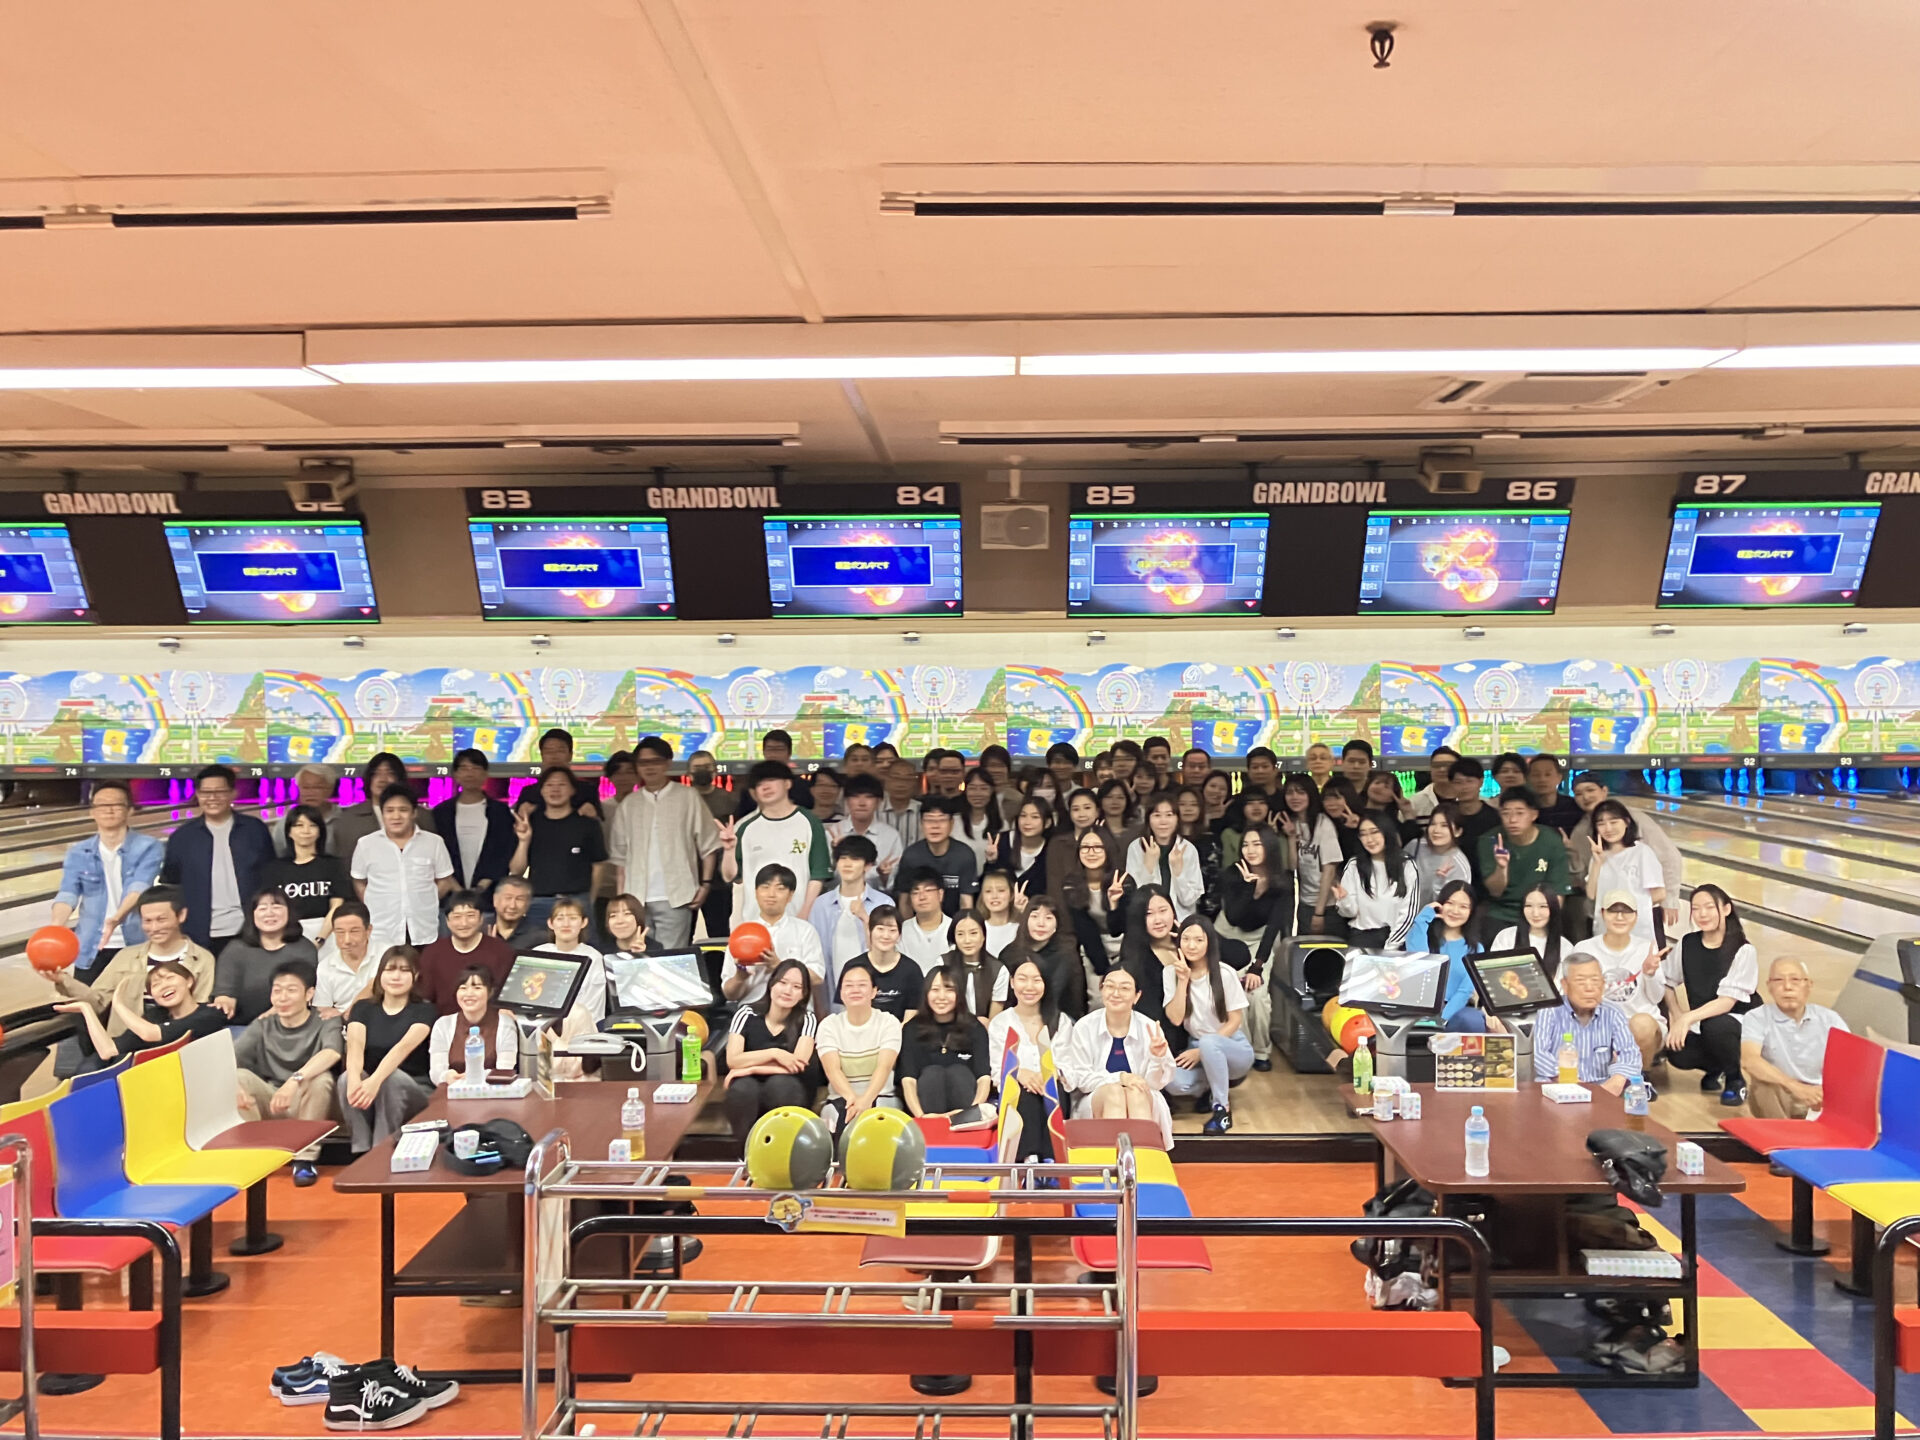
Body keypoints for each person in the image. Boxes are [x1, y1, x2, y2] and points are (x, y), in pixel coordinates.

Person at [49, 886, 215, 1068]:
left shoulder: (202, 959)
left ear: (181, 916)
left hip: (178, 1044)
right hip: (125, 1044)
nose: (154, 928)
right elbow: (97, 1001)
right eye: (147, 921)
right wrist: (63, 980)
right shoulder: (126, 957)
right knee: (87, 1070)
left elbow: (199, 1013)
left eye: (161, 920)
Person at [604, 735, 720, 951]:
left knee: (671, 959)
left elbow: (708, 844)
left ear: (667, 763)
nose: (649, 767)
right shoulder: (629, 804)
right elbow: (620, 858)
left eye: (655, 761)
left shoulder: (688, 796)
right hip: (636, 898)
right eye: (643, 763)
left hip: (677, 895)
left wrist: (705, 884)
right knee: (637, 957)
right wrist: (622, 901)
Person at [233, 959, 342, 1185]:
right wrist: (234, 1085)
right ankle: (251, 1157)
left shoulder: (325, 1020)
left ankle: (304, 1160)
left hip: (309, 1100)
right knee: (239, 1078)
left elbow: (332, 1053)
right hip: (273, 1099)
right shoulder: (263, 1024)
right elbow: (229, 1058)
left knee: (321, 1079)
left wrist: (294, 1081)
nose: (282, 998)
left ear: (309, 993)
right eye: (277, 991)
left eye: (291, 990)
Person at [1656, 884, 1760, 1106]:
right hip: (1703, 1021)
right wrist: (1677, 1015)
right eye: (1696, 908)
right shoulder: (1688, 943)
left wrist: (1687, 1018)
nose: (1702, 914)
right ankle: (1717, 1066)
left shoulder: (1743, 950)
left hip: (1739, 1021)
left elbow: (1726, 1002)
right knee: (1677, 1051)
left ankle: (1735, 1079)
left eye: (1709, 907)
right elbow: (1665, 980)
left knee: (1717, 1025)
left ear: (1726, 909)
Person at [53, 780, 164, 980]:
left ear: (130, 810)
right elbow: (68, 893)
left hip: (136, 944)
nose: (109, 810)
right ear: (92, 812)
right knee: (86, 1000)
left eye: (117, 804)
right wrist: (56, 926)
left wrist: (116, 918)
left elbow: (139, 887)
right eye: (102, 804)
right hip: (91, 947)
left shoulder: (149, 847)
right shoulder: (78, 852)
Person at [160, 764, 277, 955]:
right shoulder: (182, 838)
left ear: (233, 794)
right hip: (198, 933)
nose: (212, 797)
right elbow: (171, 884)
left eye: (220, 791)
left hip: (251, 929)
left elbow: (271, 876)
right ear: (197, 794)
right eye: (206, 792)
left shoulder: (255, 830)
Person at [1061, 968, 1174, 1147]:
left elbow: (1155, 1084)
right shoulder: (1084, 1027)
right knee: (1114, 1093)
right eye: (1110, 986)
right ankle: (1111, 1159)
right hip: (1094, 1099)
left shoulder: (1150, 1028)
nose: (1115, 993)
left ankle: (1143, 1158)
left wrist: (1157, 1058)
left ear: (1136, 996)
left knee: (1136, 1093)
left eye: (1124, 988)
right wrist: (1121, 1078)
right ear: (1101, 990)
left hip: (1142, 1098)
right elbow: (1081, 1079)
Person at [1162, 916, 1252, 1134]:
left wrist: (1203, 1050)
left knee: (1209, 1042)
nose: (1191, 945)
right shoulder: (1170, 973)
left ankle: (1222, 1110)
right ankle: (1214, 1086)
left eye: (1199, 940)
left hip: (1232, 1045)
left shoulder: (1225, 973)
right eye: (1186, 939)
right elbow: (1175, 1019)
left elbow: (1235, 1020)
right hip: (1197, 1045)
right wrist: (1183, 981)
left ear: (1209, 942)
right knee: (1173, 1082)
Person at [342, 947, 436, 1153]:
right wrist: (355, 1080)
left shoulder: (425, 1010)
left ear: (415, 976)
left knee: (391, 1078)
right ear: (380, 974)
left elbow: (402, 1048)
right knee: (345, 1079)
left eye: (404, 970)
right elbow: (355, 1046)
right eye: (390, 969)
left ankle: (381, 1151)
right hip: (370, 1086)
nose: (396, 976)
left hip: (414, 1086)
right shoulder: (363, 1008)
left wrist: (375, 1081)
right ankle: (361, 1150)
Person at [1569, 773, 1684, 939]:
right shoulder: (1580, 833)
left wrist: (1670, 899)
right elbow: (1586, 885)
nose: (1585, 797)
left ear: (1604, 791)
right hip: (1605, 921)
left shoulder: (1636, 822)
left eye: (1590, 790)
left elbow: (1669, 856)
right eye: (1578, 793)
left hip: (1640, 919)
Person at [55, 959, 226, 1070]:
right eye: (156, 985)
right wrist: (87, 1010)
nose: (164, 986)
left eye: (169, 978)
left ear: (189, 981)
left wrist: (119, 1004)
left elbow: (150, 1034)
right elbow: (108, 1050)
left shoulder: (210, 1013)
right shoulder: (155, 1016)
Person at [1570, 891, 1671, 1072]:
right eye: (1613, 911)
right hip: (1599, 1022)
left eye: (1626, 911)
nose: (1619, 917)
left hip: (1640, 1023)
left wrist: (1649, 973)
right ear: (1603, 913)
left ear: (1636, 916)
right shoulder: (1584, 949)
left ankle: (1637, 1078)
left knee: (1642, 1025)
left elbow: (1656, 998)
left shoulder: (1646, 948)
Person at [721, 760, 831, 925]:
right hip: (755, 921)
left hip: (798, 920)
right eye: (759, 784)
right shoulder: (746, 827)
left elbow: (818, 875)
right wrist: (729, 851)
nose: (765, 787)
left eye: (771, 780)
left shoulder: (810, 822)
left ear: (787, 783)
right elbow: (731, 876)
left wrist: (804, 913)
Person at [350, 785, 456, 956]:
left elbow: (445, 879)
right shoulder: (366, 844)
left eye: (403, 810)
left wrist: (426, 899)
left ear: (414, 813)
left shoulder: (434, 842)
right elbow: (359, 881)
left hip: (423, 929)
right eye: (390, 810)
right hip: (382, 930)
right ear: (382, 813)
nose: (396, 816)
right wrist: (373, 903)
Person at [723, 959, 819, 1143]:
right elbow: (733, 1059)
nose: (788, 991)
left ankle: (783, 1152)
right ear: (771, 984)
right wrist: (775, 1053)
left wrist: (750, 1068)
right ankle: (746, 1152)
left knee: (779, 1086)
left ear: (803, 994)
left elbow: (797, 1065)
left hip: (792, 1083)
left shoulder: (807, 1019)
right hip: (749, 1083)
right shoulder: (746, 1013)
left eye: (796, 987)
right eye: (783, 983)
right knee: (743, 1090)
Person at [1741, 956, 1849, 1119]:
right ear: (1769, 986)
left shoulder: (1830, 1019)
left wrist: (1824, 1092)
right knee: (1764, 1086)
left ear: (1809, 985)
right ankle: (1781, 1134)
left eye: (1795, 980)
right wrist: (1796, 1087)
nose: (1787, 987)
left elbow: (1851, 1061)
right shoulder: (1757, 1017)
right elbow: (1750, 1061)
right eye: (1778, 980)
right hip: (1783, 1094)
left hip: (1820, 1095)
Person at [509, 765, 610, 935]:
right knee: (537, 950)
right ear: (541, 791)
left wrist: (589, 900)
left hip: (577, 901)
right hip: (538, 903)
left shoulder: (588, 824)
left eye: (562, 784)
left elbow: (599, 865)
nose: (555, 789)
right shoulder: (530, 823)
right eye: (549, 785)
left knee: (583, 949)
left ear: (572, 790)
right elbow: (516, 870)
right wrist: (524, 840)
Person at [988, 956, 1072, 1161]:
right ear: (1012, 982)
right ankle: (1029, 1160)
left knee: (1051, 1092)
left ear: (1045, 984)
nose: (1029, 986)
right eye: (1022, 979)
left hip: (1052, 1087)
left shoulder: (1060, 1021)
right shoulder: (1001, 1023)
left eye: (1036, 980)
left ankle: (1051, 1161)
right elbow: (996, 1071)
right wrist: (1019, 1074)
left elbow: (1068, 1065)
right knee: (1023, 1094)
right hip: (1016, 1091)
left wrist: (1048, 1075)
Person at [1529, 954, 1642, 1096]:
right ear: (1565, 985)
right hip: (1558, 1087)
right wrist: (1575, 1085)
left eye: (1595, 981)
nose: (1589, 988)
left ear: (1603, 984)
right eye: (1580, 981)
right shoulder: (1549, 1011)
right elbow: (1540, 1054)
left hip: (1603, 1089)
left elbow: (1630, 1053)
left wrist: (1615, 1082)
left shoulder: (1613, 1013)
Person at [815, 960, 903, 1131]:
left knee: (879, 1128)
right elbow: (832, 1070)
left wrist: (866, 1100)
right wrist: (853, 1100)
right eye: (848, 985)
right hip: (841, 1098)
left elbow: (884, 1067)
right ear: (841, 993)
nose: (855, 990)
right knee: (836, 1124)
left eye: (862, 985)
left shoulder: (888, 1022)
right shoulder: (829, 1025)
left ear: (874, 991)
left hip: (882, 1095)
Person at [719, 865, 826, 1006]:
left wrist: (780, 966)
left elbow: (818, 978)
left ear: (790, 895)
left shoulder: (805, 930)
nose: (771, 894)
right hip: (752, 1009)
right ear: (756, 892)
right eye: (765, 887)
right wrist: (740, 978)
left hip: (795, 1009)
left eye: (780, 888)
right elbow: (729, 994)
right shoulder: (742, 934)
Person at [213, 888, 320, 1024]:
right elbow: (225, 993)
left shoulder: (304, 949)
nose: (269, 913)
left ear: (289, 912)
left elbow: (300, 996)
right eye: (262, 908)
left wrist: (263, 1022)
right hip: (240, 1025)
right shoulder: (235, 949)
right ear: (252, 915)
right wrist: (224, 1004)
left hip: (286, 1023)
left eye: (276, 907)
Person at [899, 965, 992, 1122]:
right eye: (935, 990)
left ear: (959, 993)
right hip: (927, 1113)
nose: (941, 996)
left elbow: (983, 1078)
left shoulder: (974, 1027)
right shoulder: (911, 1029)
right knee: (932, 1074)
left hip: (966, 1113)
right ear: (926, 993)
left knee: (958, 1072)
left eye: (949, 989)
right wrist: (922, 1117)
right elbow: (908, 1080)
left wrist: (972, 1113)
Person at [808, 834, 894, 995]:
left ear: (868, 865)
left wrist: (866, 919)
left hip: (873, 996)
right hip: (829, 995)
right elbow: (814, 958)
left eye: (855, 859)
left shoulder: (883, 903)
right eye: (843, 858)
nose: (847, 864)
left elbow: (888, 955)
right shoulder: (820, 905)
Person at [1412, 881, 1500, 1034]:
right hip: (1418, 1006)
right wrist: (1423, 917)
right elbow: (1419, 962)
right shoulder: (1424, 935)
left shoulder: (1475, 948)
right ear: (1440, 904)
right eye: (1450, 903)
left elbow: (1465, 991)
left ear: (1471, 911)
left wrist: (1440, 1020)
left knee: (1472, 1021)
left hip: (1453, 1012)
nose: (1455, 911)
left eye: (1463, 907)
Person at [431, 749, 517, 900]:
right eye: (464, 768)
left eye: (475, 768)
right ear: (455, 774)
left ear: (485, 774)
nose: (469, 773)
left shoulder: (500, 812)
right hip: (449, 896)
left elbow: (504, 851)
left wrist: (482, 886)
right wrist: (457, 889)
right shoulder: (441, 812)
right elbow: (436, 852)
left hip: (490, 895)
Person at [1479, 788, 1570, 930]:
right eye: (1506, 813)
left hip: (1538, 913)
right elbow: (1495, 892)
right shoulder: (1490, 840)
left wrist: (1546, 923)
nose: (1512, 820)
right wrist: (1501, 868)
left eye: (1520, 813)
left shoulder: (1551, 841)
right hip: (1501, 913)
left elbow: (1558, 892)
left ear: (1534, 815)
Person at [262, 804, 352, 945]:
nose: (306, 831)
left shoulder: (333, 865)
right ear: (289, 832)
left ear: (320, 831)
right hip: (287, 936)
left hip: (328, 934)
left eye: (312, 825)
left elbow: (337, 906)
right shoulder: (275, 869)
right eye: (299, 825)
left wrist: (320, 939)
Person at [416, 890, 517, 1012]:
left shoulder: (501, 951)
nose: (464, 923)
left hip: (490, 1020)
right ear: (447, 921)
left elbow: (508, 998)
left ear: (481, 919)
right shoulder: (432, 952)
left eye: (470, 916)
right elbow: (426, 998)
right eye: (457, 917)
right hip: (443, 1020)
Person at [1586, 799, 1667, 949]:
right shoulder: (1598, 856)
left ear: (1627, 822)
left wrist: (1626, 911)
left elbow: (1660, 893)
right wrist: (1597, 863)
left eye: (1613, 822)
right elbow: (1592, 894)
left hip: (1637, 929)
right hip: (1606, 928)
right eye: (1601, 823)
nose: (1608, 828)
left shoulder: (1642, 852)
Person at [1331, 814, 1420, 950]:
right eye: (1363, 834)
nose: (1369, 839)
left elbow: (1409, 913)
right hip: (1361, 937)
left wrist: (1390, 948)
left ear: (1387, 832)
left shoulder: (1406, 864)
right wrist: (1344, 900)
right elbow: (1349, 913)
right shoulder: (1354, 865)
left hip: (1396, 939)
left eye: (1374, 832)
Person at [997, 896, 1086, 1021]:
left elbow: (1076, 997)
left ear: (1057, 923)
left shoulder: (1067, 954)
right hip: (1016, 1019)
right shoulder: (1010, 954)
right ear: (1025, 920)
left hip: (1059, 1019)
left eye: (1048, 918)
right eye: (1034, 916)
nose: (1041, 923)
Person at [331, 754, 437, 859]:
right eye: (376, 774)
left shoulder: (422, 816)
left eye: (390, 773)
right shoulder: (348, 819)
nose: (382, 779)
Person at [427, 965, 517, 1084]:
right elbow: (436, 1071)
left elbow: (505, 1070)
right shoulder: (443, 1024)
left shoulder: (505, 1024)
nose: (469, 994)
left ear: (490, 992)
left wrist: (476, 1076)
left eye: (477, 988)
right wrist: (447, 1076)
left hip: (493, 1089)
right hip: (452, 1089)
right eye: (463, 988)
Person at [1279, 774, 1343, 937]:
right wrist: (1291, 838)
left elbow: (1329, 870)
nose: (1294, 797)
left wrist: (1319, 913)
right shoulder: (1292, 823)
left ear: (1311, 794)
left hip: (1327, 905)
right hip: (1305, 904)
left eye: (1301, 792)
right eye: (1290, 792)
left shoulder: (1323, 823)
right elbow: (1293, 866)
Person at [1123, 794, 1203, 921]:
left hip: (1181, 921)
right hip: (1148, 920)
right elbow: (1135, 897)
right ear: (1148, 819)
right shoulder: (1136, 847)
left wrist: (1179, 874)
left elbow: (1189, 900)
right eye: (1157, 815)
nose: (1163, 821)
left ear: (1177, 819)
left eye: (1169, 815)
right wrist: (1148, 867)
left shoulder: (1187, 849)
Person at [1058, 829, 1124, 980]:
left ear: (1108, 849)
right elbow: (1085, 930)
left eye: (1098, 847)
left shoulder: (1122, 881)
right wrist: (1104, 971)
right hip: (1093, 949)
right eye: (1085, 847)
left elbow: (1119, 929)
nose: (1091, 852)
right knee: (1097, 991)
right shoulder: (1071, 884)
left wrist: (1114, 905)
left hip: (1125, 945)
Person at [899, 796, 977, 916]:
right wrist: (908, 926)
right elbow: (905, 901)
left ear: (952, 823)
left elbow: (966, 902)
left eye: (942, 820)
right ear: (921, 823)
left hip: (954, 921)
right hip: (919, 921)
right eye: (929, 820)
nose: (935, 826)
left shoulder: (964, 855)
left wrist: (962, 926)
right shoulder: (911, 855)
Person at [1113, 885, 1179, 1018]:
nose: (1158, 920)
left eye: (1163, 910)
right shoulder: (1136, 956)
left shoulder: (1190, 941)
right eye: (1149, 914)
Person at [848, 905, 924, 1020]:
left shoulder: (912, 970)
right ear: (869, 931)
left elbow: (911, 1017)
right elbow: (847, 1012)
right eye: (880, 929)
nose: (886, 936)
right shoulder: (853, 967)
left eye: (892, 930)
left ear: (899, 935)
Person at [827, 772, 904, 884]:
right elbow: (825, 875)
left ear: (879, 802)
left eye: (869, 797)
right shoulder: (833, 833)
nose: (862, 803)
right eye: (855, 796)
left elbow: (894, 879)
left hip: (878, 894)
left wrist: (884, 875)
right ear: (847, 801)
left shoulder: (890, 836)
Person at [542, 896, 608, 1023]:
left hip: (581, 1025)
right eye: (560, 918)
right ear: (550, 923)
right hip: (540, 1023)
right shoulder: (538, 953)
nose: (566, 924)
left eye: (573, 918)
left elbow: (593, 1008)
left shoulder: (594, 957)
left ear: (584, 922)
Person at [1491, 885, 1575, 978]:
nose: (1535, 913)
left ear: (1553, 908)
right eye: (1529, 906)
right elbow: (1494, 973)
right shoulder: (1506, 937)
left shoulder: (1565, 946)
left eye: (1543, 906)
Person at [313, 900, 378, 1017]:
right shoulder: (325, 966)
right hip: (340, 1023)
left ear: (368, 930)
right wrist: (343, 1016)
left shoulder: (387, 955)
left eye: (354, 931)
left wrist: (349, 1014)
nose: (347, 940)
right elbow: (322, 1009)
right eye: (340, 932)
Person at [1406, 804, 1474, 907]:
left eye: (1444, 825)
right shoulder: (1415, 845)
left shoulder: (1459, 865)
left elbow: (1452, 905)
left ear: (1458, 832)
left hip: (1431, 915)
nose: (1436, 830)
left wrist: (1439, 882)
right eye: (1433, 824)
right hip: (1401, 912)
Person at [1445, 758, 1499, 882]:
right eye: (1458, 782)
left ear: (1481, 782)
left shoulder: (1495, 817)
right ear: (1451, 784)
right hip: (1451, 879)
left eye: (1469, 781)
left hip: (1486, 881)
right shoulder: (1445, 816)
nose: (1464, 787)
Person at [1044, 788, 1101, 907]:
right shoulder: (1058, 843)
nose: (1081, 814)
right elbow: (1054, 887)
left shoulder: (1107, 841)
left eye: (1087, 808)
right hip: (1065, 909)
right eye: (1075, 809)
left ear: (1097, 811)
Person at [945, 912, 1008, 1019]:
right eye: (960, 934)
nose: (967, 940)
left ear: (983, 936)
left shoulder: (999, 970)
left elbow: (994, 1018)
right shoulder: (943, 964)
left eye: (973, 933)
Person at [894, 870, 956, 973]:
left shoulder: (956, 928)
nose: (922, 897)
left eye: (928, 890)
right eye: (915, 892)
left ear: (940, 894)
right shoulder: (901, 931)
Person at [270, 763, 340, 853]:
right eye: (305, 788)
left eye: (317, 787)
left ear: (330, 789)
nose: (310, 793)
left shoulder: (346, 820)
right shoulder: (283, 825)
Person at [993, 797, 1052, 900]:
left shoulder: (1051, 849)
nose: (1027, 822)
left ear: (1047, 823)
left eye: (1035, 817)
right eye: (1023, 816)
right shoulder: (1001, 841)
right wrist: (991, 861)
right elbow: (988, 882)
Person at [487, 876, 552, 953]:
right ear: (495, 900)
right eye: (508, 898)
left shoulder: (540, 937)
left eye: (519, 899)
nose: (512, 906)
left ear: (528, 903)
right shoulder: (479, 930)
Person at [956, 768, 1005, 867]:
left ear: (992, 791)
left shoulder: (1002, 825)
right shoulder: (954, 822)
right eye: (972, 788)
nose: (977, 793)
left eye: (984, 788)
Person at [1526, 753, 1583, 835]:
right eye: (1536, 775)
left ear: (1559, 778)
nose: (1542, 779)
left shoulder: (1575, 807)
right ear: (1528, 779)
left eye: (1548, 774)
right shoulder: (1524, 809)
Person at [974, 869, 1023, 956]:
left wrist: (1024, 911)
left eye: (1001, 890)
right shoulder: (976, 929)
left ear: (1012, 895)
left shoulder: (1021, 928)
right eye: (988, 891)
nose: (994, 896)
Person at [880, 758, 923, 848]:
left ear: (915, 783)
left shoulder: (924, 811)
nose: (901, 784)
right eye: (896, 778)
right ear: (886, 781)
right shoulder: (873, 812)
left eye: (907, 779)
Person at [1409, 746, 1459, 818]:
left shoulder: (1472, 800)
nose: (1442, 769)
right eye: (1437, 765)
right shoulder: (1414, 802)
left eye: (1448, 765)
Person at [1094, 778, 1138, 843]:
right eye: (1109, 797)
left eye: (1120, 797)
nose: (1115, 802)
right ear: (1100, 800)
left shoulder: (1137, 831)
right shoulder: (1093, 832)